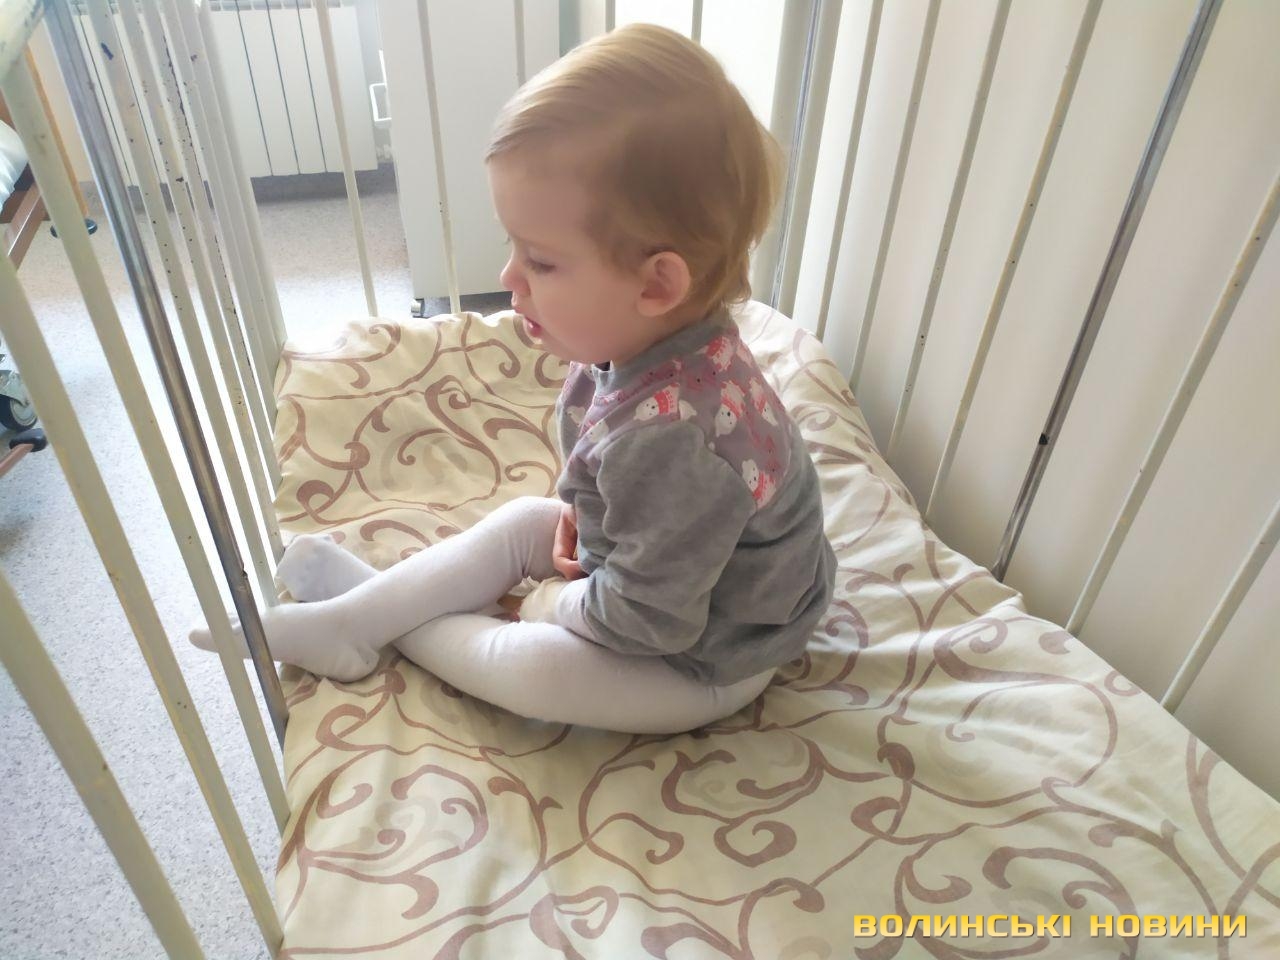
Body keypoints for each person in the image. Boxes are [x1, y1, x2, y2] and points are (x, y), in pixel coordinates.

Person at [191, 23, 836, 734]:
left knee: (538, 666)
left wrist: (550, 605)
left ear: (656, 284)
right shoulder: (657, 346)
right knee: (526, 522)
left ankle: (378, 620)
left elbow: (648, 621)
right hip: (666, 575)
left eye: (542, 261)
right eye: (514, 248)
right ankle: (354, 619)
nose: (508, 278)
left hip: (711, 655)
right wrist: (588, 528)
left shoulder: (673, 441)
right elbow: (636, 501)